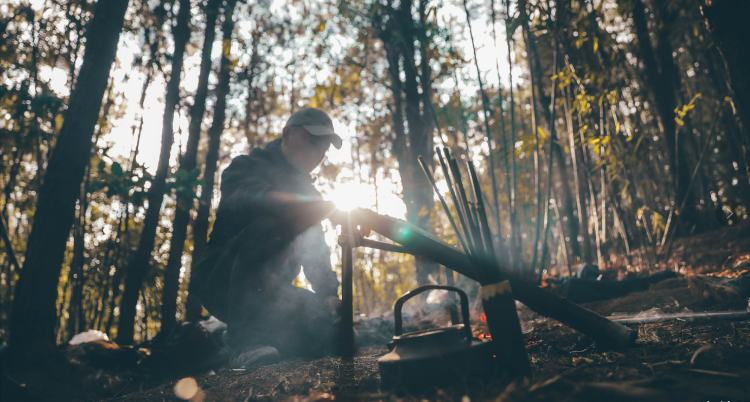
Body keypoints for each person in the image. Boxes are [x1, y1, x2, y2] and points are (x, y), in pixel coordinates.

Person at [191, 107, 345, 365]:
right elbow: (251, 200)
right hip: (221, 282)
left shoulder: (310, 194)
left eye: (325, 144)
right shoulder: (244, 168)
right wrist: (306, 208)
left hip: (274, 295)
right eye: (313, 138)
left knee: (330, 332)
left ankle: (236, 339)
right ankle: (243, 342)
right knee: (269, 224)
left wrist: (329, 294)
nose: (319, 150)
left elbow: (316, 250)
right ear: (287, 133)